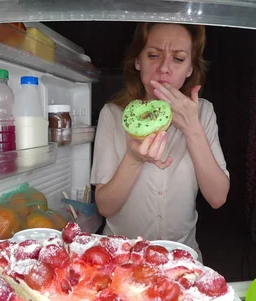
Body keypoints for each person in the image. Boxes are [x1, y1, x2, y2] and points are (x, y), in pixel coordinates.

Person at [90, 22, 230, 262]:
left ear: (190, 69)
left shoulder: (203, 113)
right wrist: (134, 159)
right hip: (122, 257)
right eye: (153, 55)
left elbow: (217, 198)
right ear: (137, 61)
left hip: (180, 256)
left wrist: (192, 128)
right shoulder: (112, 114)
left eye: (178, 59)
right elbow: (105, 207)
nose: (164, 68)